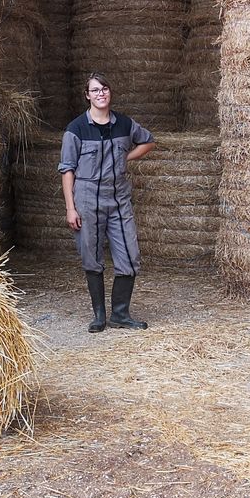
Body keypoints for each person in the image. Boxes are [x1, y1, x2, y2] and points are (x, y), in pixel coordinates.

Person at [59, 73, 156, 332]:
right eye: (95, 90)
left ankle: (120, 314)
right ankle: (99, 315)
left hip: (119, 198)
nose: (101, 93)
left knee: (130, 256)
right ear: (87, 96)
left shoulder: (124, 124)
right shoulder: (76, 129)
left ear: (109, 93)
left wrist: (126, 158)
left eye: (104, 89)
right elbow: (67, 169)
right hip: (87, 198)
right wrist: (70, 208)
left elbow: (148, 140)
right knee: (91, 255)